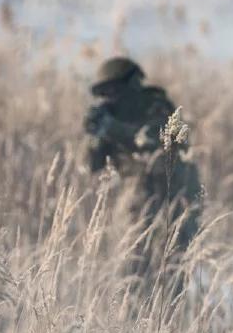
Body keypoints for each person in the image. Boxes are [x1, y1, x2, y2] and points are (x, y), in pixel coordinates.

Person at [84, 56, 203, 280]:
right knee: (130, 277)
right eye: (104, 94)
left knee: (171, 277)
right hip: (133, 209)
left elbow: (151, 142)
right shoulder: (112, 118)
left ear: (132, 86)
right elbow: (93, 167)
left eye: (113, 92)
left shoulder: (159, 107)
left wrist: (112, 127)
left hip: (172, 206)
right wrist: (96, 138)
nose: (108, 100)